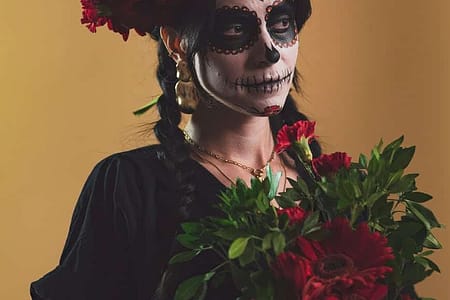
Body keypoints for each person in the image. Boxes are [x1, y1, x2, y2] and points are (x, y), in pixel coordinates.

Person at [30, 0, 322, 299]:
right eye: (236, 29)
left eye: (281, 25)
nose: (270, 52)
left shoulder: (325, 179)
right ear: (177, 43)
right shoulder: (131, 187)